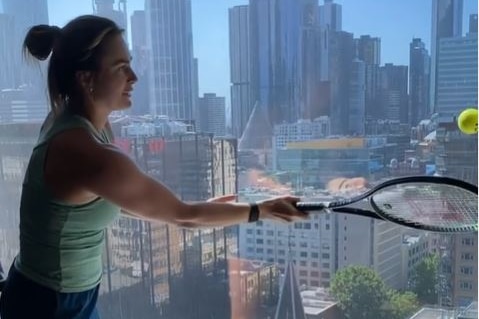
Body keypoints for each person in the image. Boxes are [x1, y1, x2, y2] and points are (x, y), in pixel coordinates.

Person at [0, 15, 307, 319]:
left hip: (61, 291)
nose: (134, 77)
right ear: (86, 77)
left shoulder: (79, 121)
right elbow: (186, 217)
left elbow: (114, 202)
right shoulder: (90, 154)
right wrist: (263, 210)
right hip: (48, 304)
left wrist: (178, 210)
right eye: (121, 68)